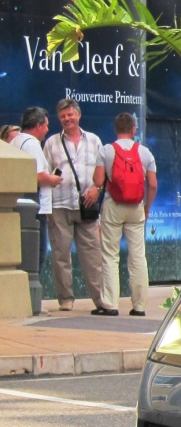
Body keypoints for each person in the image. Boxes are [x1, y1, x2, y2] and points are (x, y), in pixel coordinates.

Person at [43, 98, 109, 313]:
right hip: (60, 204)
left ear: (78, 115)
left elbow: (103, 171)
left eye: (70, 115)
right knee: (61, 254)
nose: (66, 119)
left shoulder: (94, 140)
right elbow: (45, 172)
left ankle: (100, 300)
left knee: (93, 255)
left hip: (87, 205)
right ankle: (65, 299)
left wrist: (97, 190)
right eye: (62, 116)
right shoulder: (52, 142)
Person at [93, 112, 158, 317]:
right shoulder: (145, 153)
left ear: (116, 129)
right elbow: (153, 184)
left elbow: (98, 181)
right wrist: (147, 207)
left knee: (110, 255)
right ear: (133, 130)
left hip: (113, 205)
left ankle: (110, 304)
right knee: (138, 256)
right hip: (136, 207)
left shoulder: (106, 150)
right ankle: (139, 306)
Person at [12, 108, 61, 277]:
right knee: (37, 255)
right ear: (38, 125)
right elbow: (39, 177)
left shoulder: (16, 141)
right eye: (46, 125)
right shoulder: (32, 144)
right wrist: (53, 179)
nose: (47, 130)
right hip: (35, 208)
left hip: (23, 205)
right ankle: (33, 298)